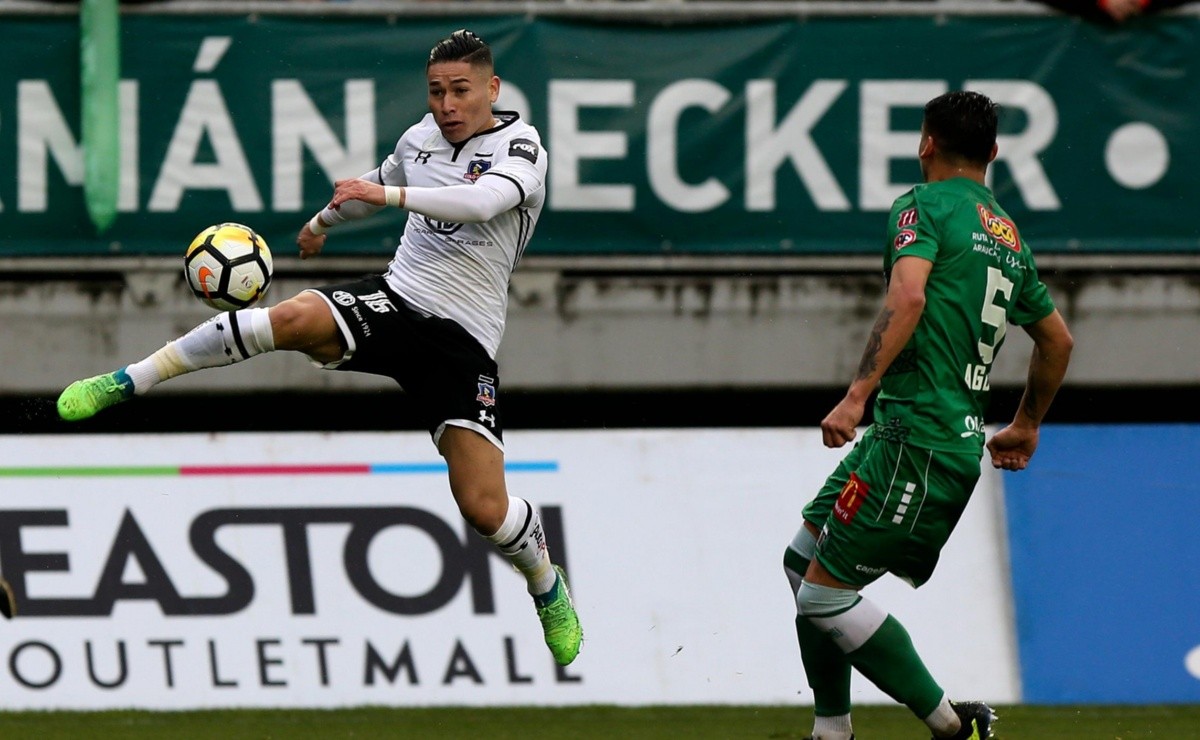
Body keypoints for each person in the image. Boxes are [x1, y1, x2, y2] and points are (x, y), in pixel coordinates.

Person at [56, 29, 582, 667]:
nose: (447, 104)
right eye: (437, 91)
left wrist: (383, 197)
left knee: (484, 508)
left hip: (462, 339)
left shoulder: (521, 148)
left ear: (491, 89)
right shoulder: (418, 140)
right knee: (296, 316)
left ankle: (545, 584)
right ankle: (129, 380)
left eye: (460, 91)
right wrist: (318, 225)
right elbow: (369, 184)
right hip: (395, 299)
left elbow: (481, 202)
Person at [781, 91, 1074, 740]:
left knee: (823, 596)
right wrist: (1026, 423)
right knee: (802, 560)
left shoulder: (921, 208)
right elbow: (1058, 340)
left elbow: (908, 293)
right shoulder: (1007, 236)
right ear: (994, 154)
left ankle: (953, 726)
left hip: (918, 435)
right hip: (920, 432)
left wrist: (857, 393)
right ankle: (833, 730)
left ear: (926, 145)